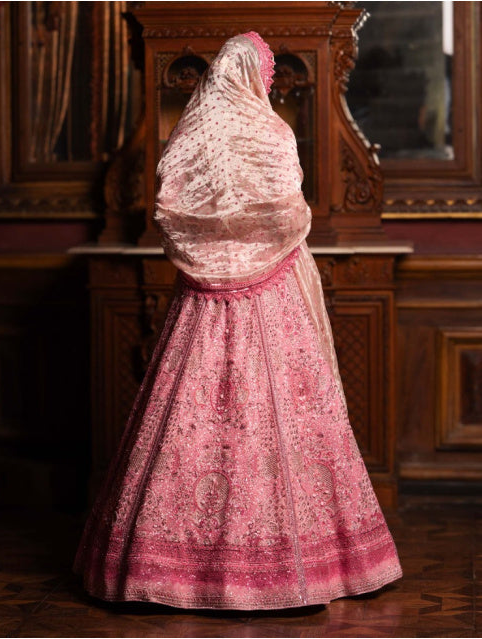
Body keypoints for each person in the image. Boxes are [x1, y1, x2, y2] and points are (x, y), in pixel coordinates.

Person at [74, 30, 402, 610]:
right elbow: (289, 212)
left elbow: (169, 212)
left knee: (192, 420)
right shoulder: (271, 132)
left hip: (201, 304)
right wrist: (270, 243)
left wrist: (220, 253)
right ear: (255, 76)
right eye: (268, 78)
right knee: (281, 419)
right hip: (274, 298)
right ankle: (299, 568)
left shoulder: (188, 135)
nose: (269, 88)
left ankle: (168, 568)